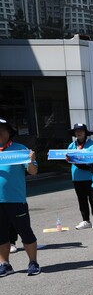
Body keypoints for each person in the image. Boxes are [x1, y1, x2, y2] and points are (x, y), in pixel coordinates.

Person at [0, 117, 40, 277]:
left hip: (16, 200)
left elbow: (33, 171)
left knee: (25, 231)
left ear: (9, 132)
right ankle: (4, 263)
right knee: (1, 234)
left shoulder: (20, 149)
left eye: (2, 129)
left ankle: (33, 262)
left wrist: (31, 161)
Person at [68, 123, 93, 229]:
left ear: (85, 132)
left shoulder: (92, 145)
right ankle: (85, 220)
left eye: (81, 130)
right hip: (77, 177)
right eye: (76, 131)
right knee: (81, 199)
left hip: (90, 177)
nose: (78, 133)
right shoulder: (71, 145)